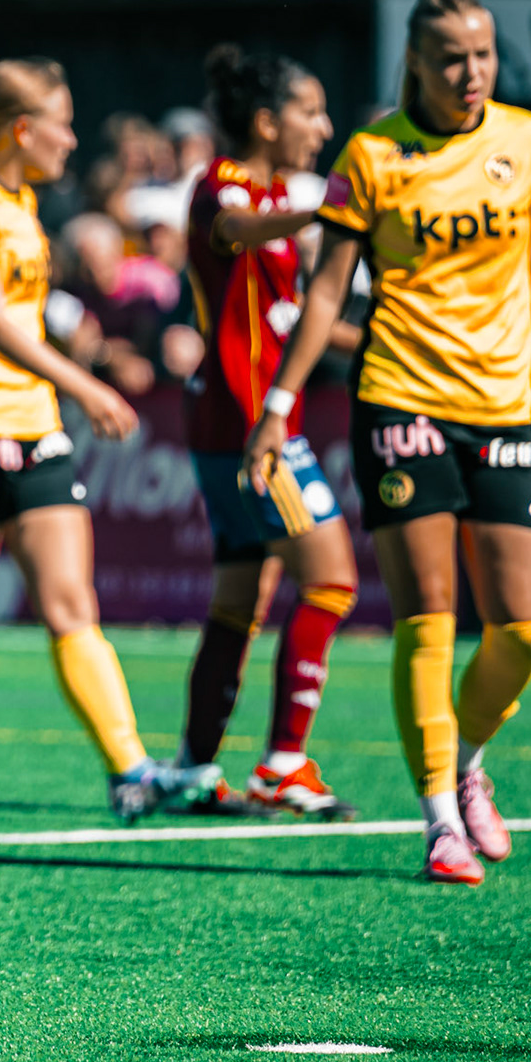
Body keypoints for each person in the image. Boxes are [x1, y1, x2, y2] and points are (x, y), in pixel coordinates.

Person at [245, 0, 531, 884]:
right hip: (400, 398)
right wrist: (280, 404)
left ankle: (468, 759)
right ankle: (438, 819)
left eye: (484, 55)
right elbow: (330, 291)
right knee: (430, 615)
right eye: (453, 57)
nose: (473, 74)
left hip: (503, 404)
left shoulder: (527, 142)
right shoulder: (373, 154)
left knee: (525, 630)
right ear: (416, 61)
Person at [0, 58, 221, 825]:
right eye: (62, 121)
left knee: (72, 607)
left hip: (36, 431)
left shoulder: (22, 200)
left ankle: (130, 770)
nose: (72, 137)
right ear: (23, 129)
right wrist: (89, 385)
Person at [174, 45, 360, 820]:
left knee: (238, 600)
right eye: (309, 110)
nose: (321, 127)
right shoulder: (225, 185)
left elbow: (287, 322)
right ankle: (284, 761)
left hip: (238, 418)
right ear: (265, 120)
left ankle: (193, 769)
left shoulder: (278, 193)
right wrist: (335, 205)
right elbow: (238, 227)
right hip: (252, 424)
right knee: (332, 580)